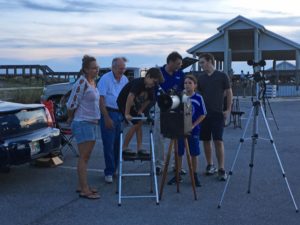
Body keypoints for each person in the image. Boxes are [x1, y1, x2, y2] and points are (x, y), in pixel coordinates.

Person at [66, 55, 101, 199]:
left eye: (97, 67)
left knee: (86, 157)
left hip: (92, 122)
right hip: (82, 123)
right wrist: (70, 117)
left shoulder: (92, 82)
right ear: (86, 69)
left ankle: (82, 185)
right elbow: (71, 103)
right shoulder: (82, 82)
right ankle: (84, 190)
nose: (96, 70)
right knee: (84, 157)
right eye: (93, 68)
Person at [197, 53, 232, 181]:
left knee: (218, 140)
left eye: (202, 62)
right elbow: (198, 95)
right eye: (200, 63)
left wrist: (228, 109)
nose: (201, 65)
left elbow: (229, 93)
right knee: (206, 140)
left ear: (210, 61)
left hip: (217, 113)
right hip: (204, 115)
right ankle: (210, 165)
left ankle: (221, 168)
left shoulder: (222, 76)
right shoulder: (200, 78)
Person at [167, 75, 207, 187]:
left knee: (194, 153)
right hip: (180, 130)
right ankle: (178, 174)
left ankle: (194, 175)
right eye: (185, 83)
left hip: (193, 130)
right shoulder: (181, 97)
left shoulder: (198, 98)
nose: (187, 85)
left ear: (195, 85)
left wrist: (193, 125)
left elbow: (203, 114)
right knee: (179, 152)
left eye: (190, 83)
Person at [117, 67, 164, 156]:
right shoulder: (138, 82)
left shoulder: (150, 87)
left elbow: (150, 100)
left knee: (140, 122)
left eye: (156, 83)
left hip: (133, 104)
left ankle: (139, 148)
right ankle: (124, 147)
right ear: (148, 76)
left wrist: (141, 110)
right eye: (154, 82)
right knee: (136, 124)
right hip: (123, 102)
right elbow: (130, 96)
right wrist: (126, 113)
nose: (154, 85)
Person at [97, 57, 128, 183]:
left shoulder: (125, 79)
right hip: (108, 112)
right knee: (108, 144)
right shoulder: (105, 79)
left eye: (123, 68)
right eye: (120, 68)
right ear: (113, 67)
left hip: (120, 114)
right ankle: (109, 171)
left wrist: (126, 115)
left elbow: (127, 98)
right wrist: (106, 118)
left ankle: (115, 169)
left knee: (117, 144)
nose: (122, 70)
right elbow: (101, 100)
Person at [154, 51, 185, 175]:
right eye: (177, 64)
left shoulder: (180, 73)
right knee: (159, 135)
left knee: (175, 135)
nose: (179, 66)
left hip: (176, 105)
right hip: (161, 105)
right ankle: (159, 164)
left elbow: (183, 89)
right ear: (170, 62)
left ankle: (175, 164)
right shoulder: (158, 72)